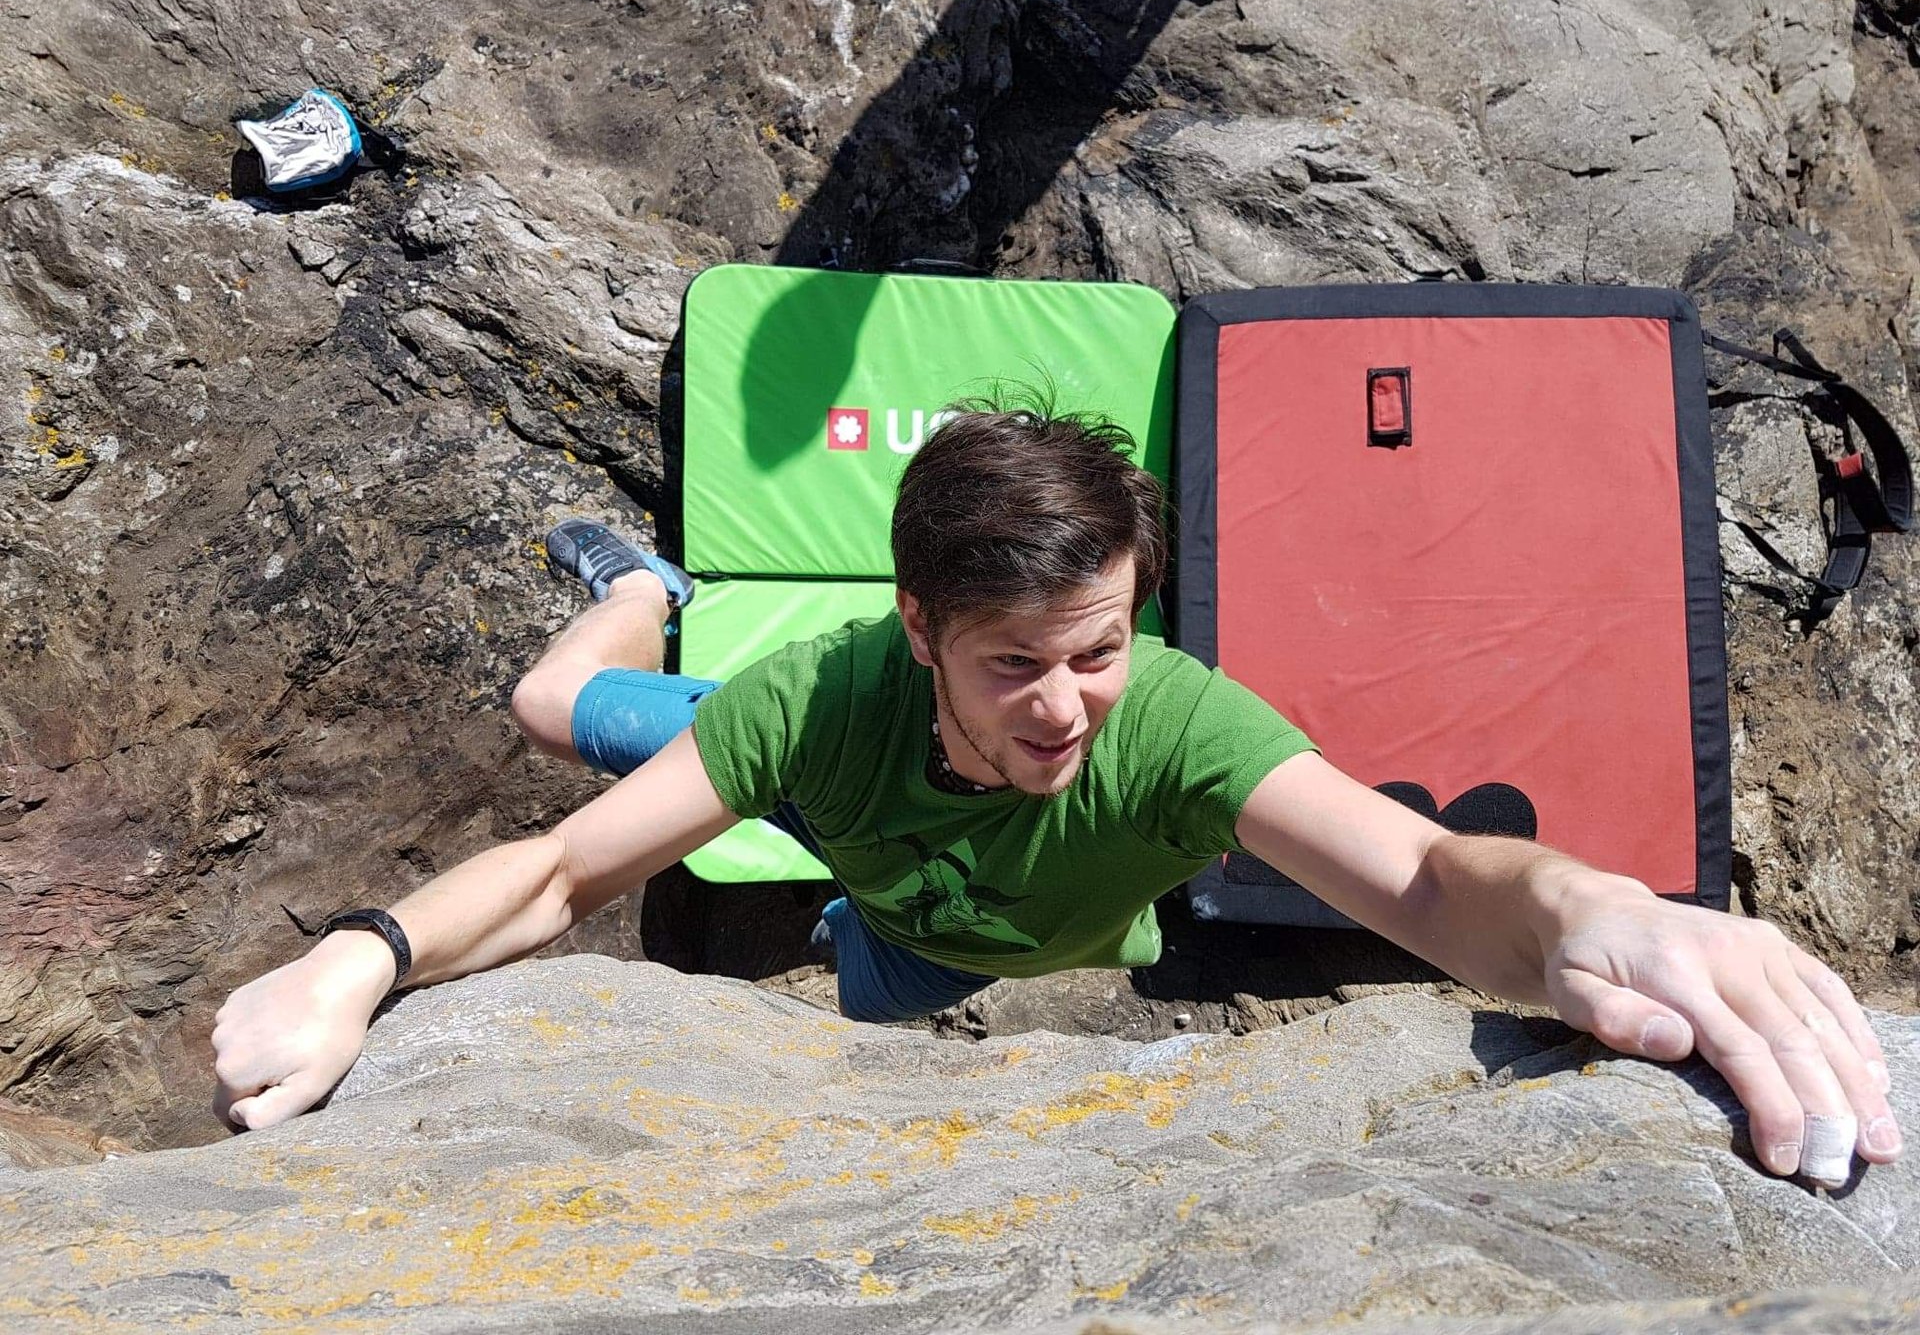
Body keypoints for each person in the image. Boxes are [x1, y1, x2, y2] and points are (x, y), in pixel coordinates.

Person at [212, 401, 1902, 1188]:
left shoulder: (1172, 727)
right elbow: (564, 874)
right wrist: (360, 956)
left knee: (876, 971)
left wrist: (1597, 910)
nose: (1067, 706)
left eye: (1095, 646)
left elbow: (1428, 877)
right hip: (834, 809)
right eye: (1015, 663)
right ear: (922, 629)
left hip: (925, 936)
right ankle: (644, 579)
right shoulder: (817, 702)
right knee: (547, 707)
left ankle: (834, 911)